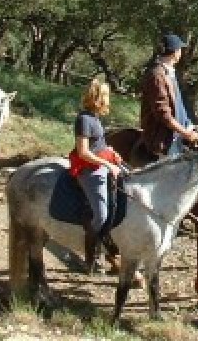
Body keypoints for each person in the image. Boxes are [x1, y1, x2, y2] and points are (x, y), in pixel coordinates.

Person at [68, 77, 123, 270]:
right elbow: (83, 151)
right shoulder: (84, 120)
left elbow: (97, 144)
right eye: (107, 97)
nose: (109, 102)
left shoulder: (95, 118)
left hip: (102, 165)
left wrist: (111, 152)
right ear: (99, 98)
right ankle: (89, 258)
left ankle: (112, 253)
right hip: (90, 171)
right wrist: (108, 166)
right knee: (100, 216)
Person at [139, 33, 198, 159]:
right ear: (175, 52)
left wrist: (190, 126)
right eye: (180, 50)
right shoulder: (157, 76)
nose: (181, 53)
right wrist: (186, 133)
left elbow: (178, 107)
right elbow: (163, 115)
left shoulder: (168, 73)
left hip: (176, 134)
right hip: (165, 140)